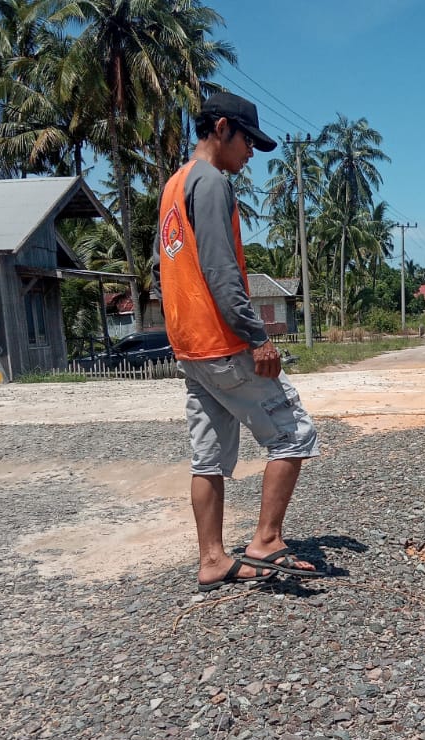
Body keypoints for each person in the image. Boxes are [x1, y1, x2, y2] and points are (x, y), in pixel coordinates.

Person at [153, 91, 321, 592]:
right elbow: (222, 273)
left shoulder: (174, 186)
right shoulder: (210, 183)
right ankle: (267, 540)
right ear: (222, 128)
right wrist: (257, 338)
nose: (252, 153)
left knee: (209, 457)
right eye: (249, 141)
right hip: (223, 342)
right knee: (294, 434)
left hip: (190, 346)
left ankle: (212, 559)